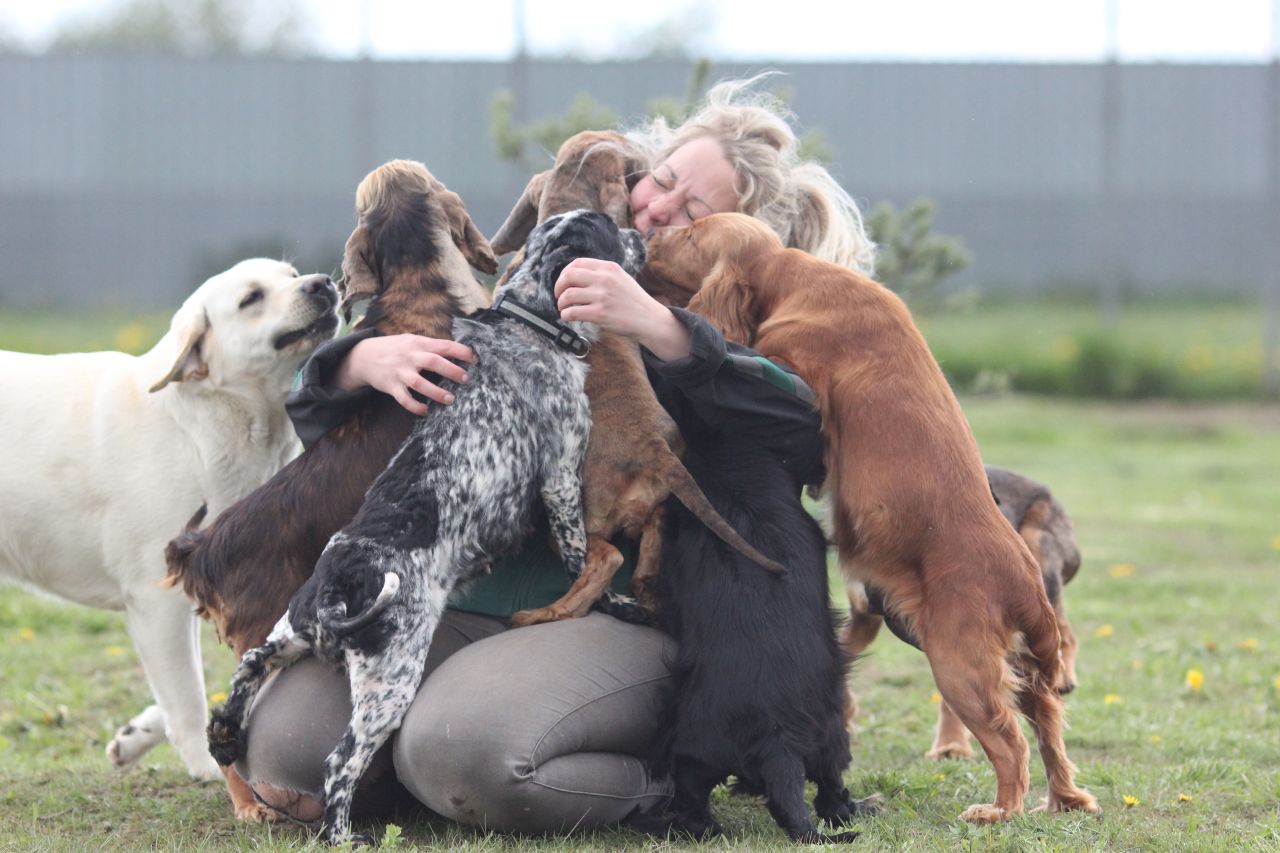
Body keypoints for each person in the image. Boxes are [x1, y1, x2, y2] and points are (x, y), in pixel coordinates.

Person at [235, 75, 876, 835]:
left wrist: (662, 330)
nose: (659, 207)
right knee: (282, 743)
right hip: (467, 595)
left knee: (469, 754)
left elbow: (804, 428)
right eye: (663, 180)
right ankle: (423, 760)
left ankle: (674, 779)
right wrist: (355, 366)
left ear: (734, 238)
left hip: (621, 618)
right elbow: (337, 441)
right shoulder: (555, 258)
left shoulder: (736, 316)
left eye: (695, 210)